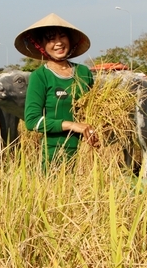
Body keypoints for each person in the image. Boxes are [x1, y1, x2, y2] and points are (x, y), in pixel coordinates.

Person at [14, 13, 99, 170]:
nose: (58, 43)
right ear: (41, 45)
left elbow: (96, 110)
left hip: (88, 155)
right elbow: (32, 121)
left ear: (70, 40)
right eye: (51, 39)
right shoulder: (40, 76)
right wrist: (72, 125)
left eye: (62, 36)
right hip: (56, 156)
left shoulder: (83, 72)